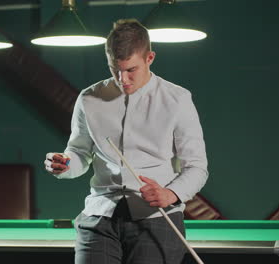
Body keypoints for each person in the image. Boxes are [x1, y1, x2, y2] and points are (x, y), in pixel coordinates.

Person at [44, 19, 208, 264]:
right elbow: (79, 153)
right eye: (114, 69)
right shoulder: (89, 98)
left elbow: (196, 167)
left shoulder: (178, 99)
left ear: (149, 58)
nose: (123, 79)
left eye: (131, 69)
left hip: (157, 217)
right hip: (99, 216)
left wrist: (170, 193)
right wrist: (65, 164)